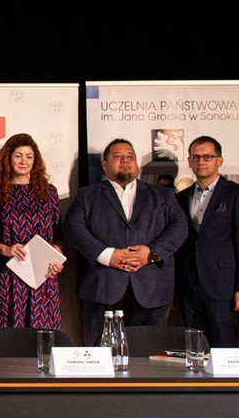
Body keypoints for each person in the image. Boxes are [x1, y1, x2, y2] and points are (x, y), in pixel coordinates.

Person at [64, 138, 188, 344]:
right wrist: (107, 255)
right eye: (118, 156)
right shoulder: (87, 196)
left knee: (148, 354)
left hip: (151, 289)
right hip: (103, 288)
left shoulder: (162, 195)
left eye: (130, 157)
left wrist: (151, 253)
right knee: (101, 355)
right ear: (104, 165)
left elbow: (180, 227)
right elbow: (74, 227)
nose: (125, 161)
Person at [175, 135, 239, 348]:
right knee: (195, 350)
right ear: (189, 161)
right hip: (190, 287)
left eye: (207, 157)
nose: (201, 162)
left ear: (219, 161)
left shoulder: (236, 194)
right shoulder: (181, 198)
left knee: (224, 348)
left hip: (224, 288)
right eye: (195, 157)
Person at [0, 133, 64, 331]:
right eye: (18, 156)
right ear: (8, 158)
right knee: (10, 338)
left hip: (42, 277)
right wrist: (5, 249)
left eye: (29, 156)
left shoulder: (49, 192)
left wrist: (57, 256)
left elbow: (58, 234)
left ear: (35, 161)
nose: (23, 161)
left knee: (44, 337)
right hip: (7, 276)